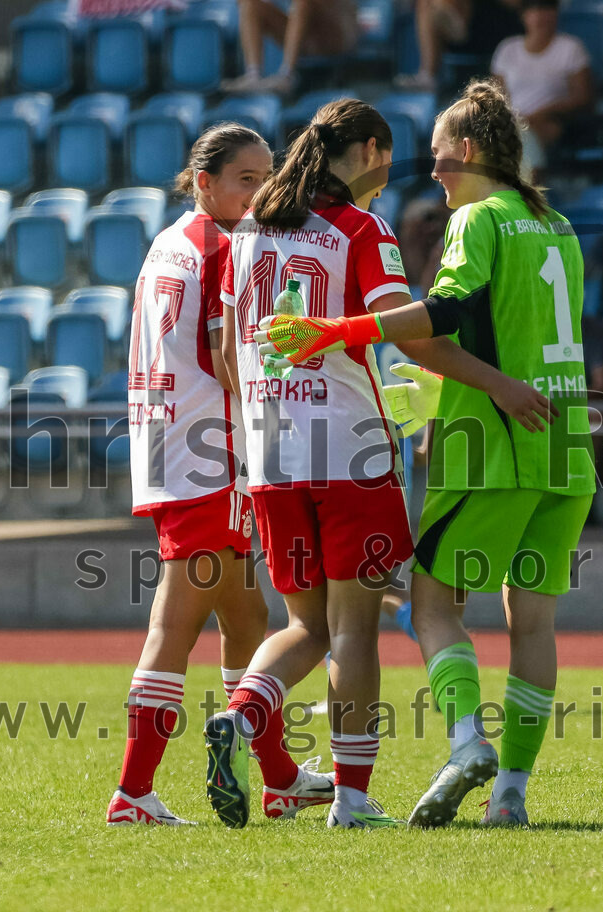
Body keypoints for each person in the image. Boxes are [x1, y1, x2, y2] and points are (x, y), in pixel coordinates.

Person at [256, 79, 596, 828]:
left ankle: (467, 742)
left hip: (496, 450)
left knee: (434, 603)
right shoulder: (560, 226)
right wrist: (447, 391)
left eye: (440, 154)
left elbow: (442, 314)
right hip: (569, 450)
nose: (433, 170)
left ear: (469, 151)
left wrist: (333, 333)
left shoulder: (480, 218)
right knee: (533, 626)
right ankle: (510, 796)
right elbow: (519, 330)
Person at [205, 99, 417, 830]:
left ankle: (238, 715)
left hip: (271, 453)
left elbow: (229, 351)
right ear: (367, 149)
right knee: (355, 628)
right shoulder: (360, 229)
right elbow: (401, 323)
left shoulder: (246, 234)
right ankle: (352, 800)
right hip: (347, 448)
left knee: (307, 624)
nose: (388, 177)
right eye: (387, 160)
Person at [107, 124, 274, 827]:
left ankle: (280, 776)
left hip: (171, 446)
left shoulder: (167, 242)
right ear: (204, 182)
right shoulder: (219, 246)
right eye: (246, 179)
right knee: (175, 625)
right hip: (209, 454)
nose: (260, 193)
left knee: (249, 617)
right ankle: (132, 791)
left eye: (267, 178)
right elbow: (226, 359)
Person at [490, 0, 594, 161]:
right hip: (511, 122)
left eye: (546, 9)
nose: (540, 16)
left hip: (551, 121)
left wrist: (545, 112)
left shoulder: (571, 48)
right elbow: (496, 96)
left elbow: (583, 98)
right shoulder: (507, 48)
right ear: (523, 16)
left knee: (534, 134)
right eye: (533, 10)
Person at [224, 0, 358, 95]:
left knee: (302, 2)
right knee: (250, 3)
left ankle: (287, 76)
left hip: (336, 36)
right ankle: (253, 75)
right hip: (307, 39)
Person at [396, 0, 522, 92]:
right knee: (426, 3)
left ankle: (430, 75)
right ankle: (428, 76)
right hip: (464, 31)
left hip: (500, 28)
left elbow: (516, 4)